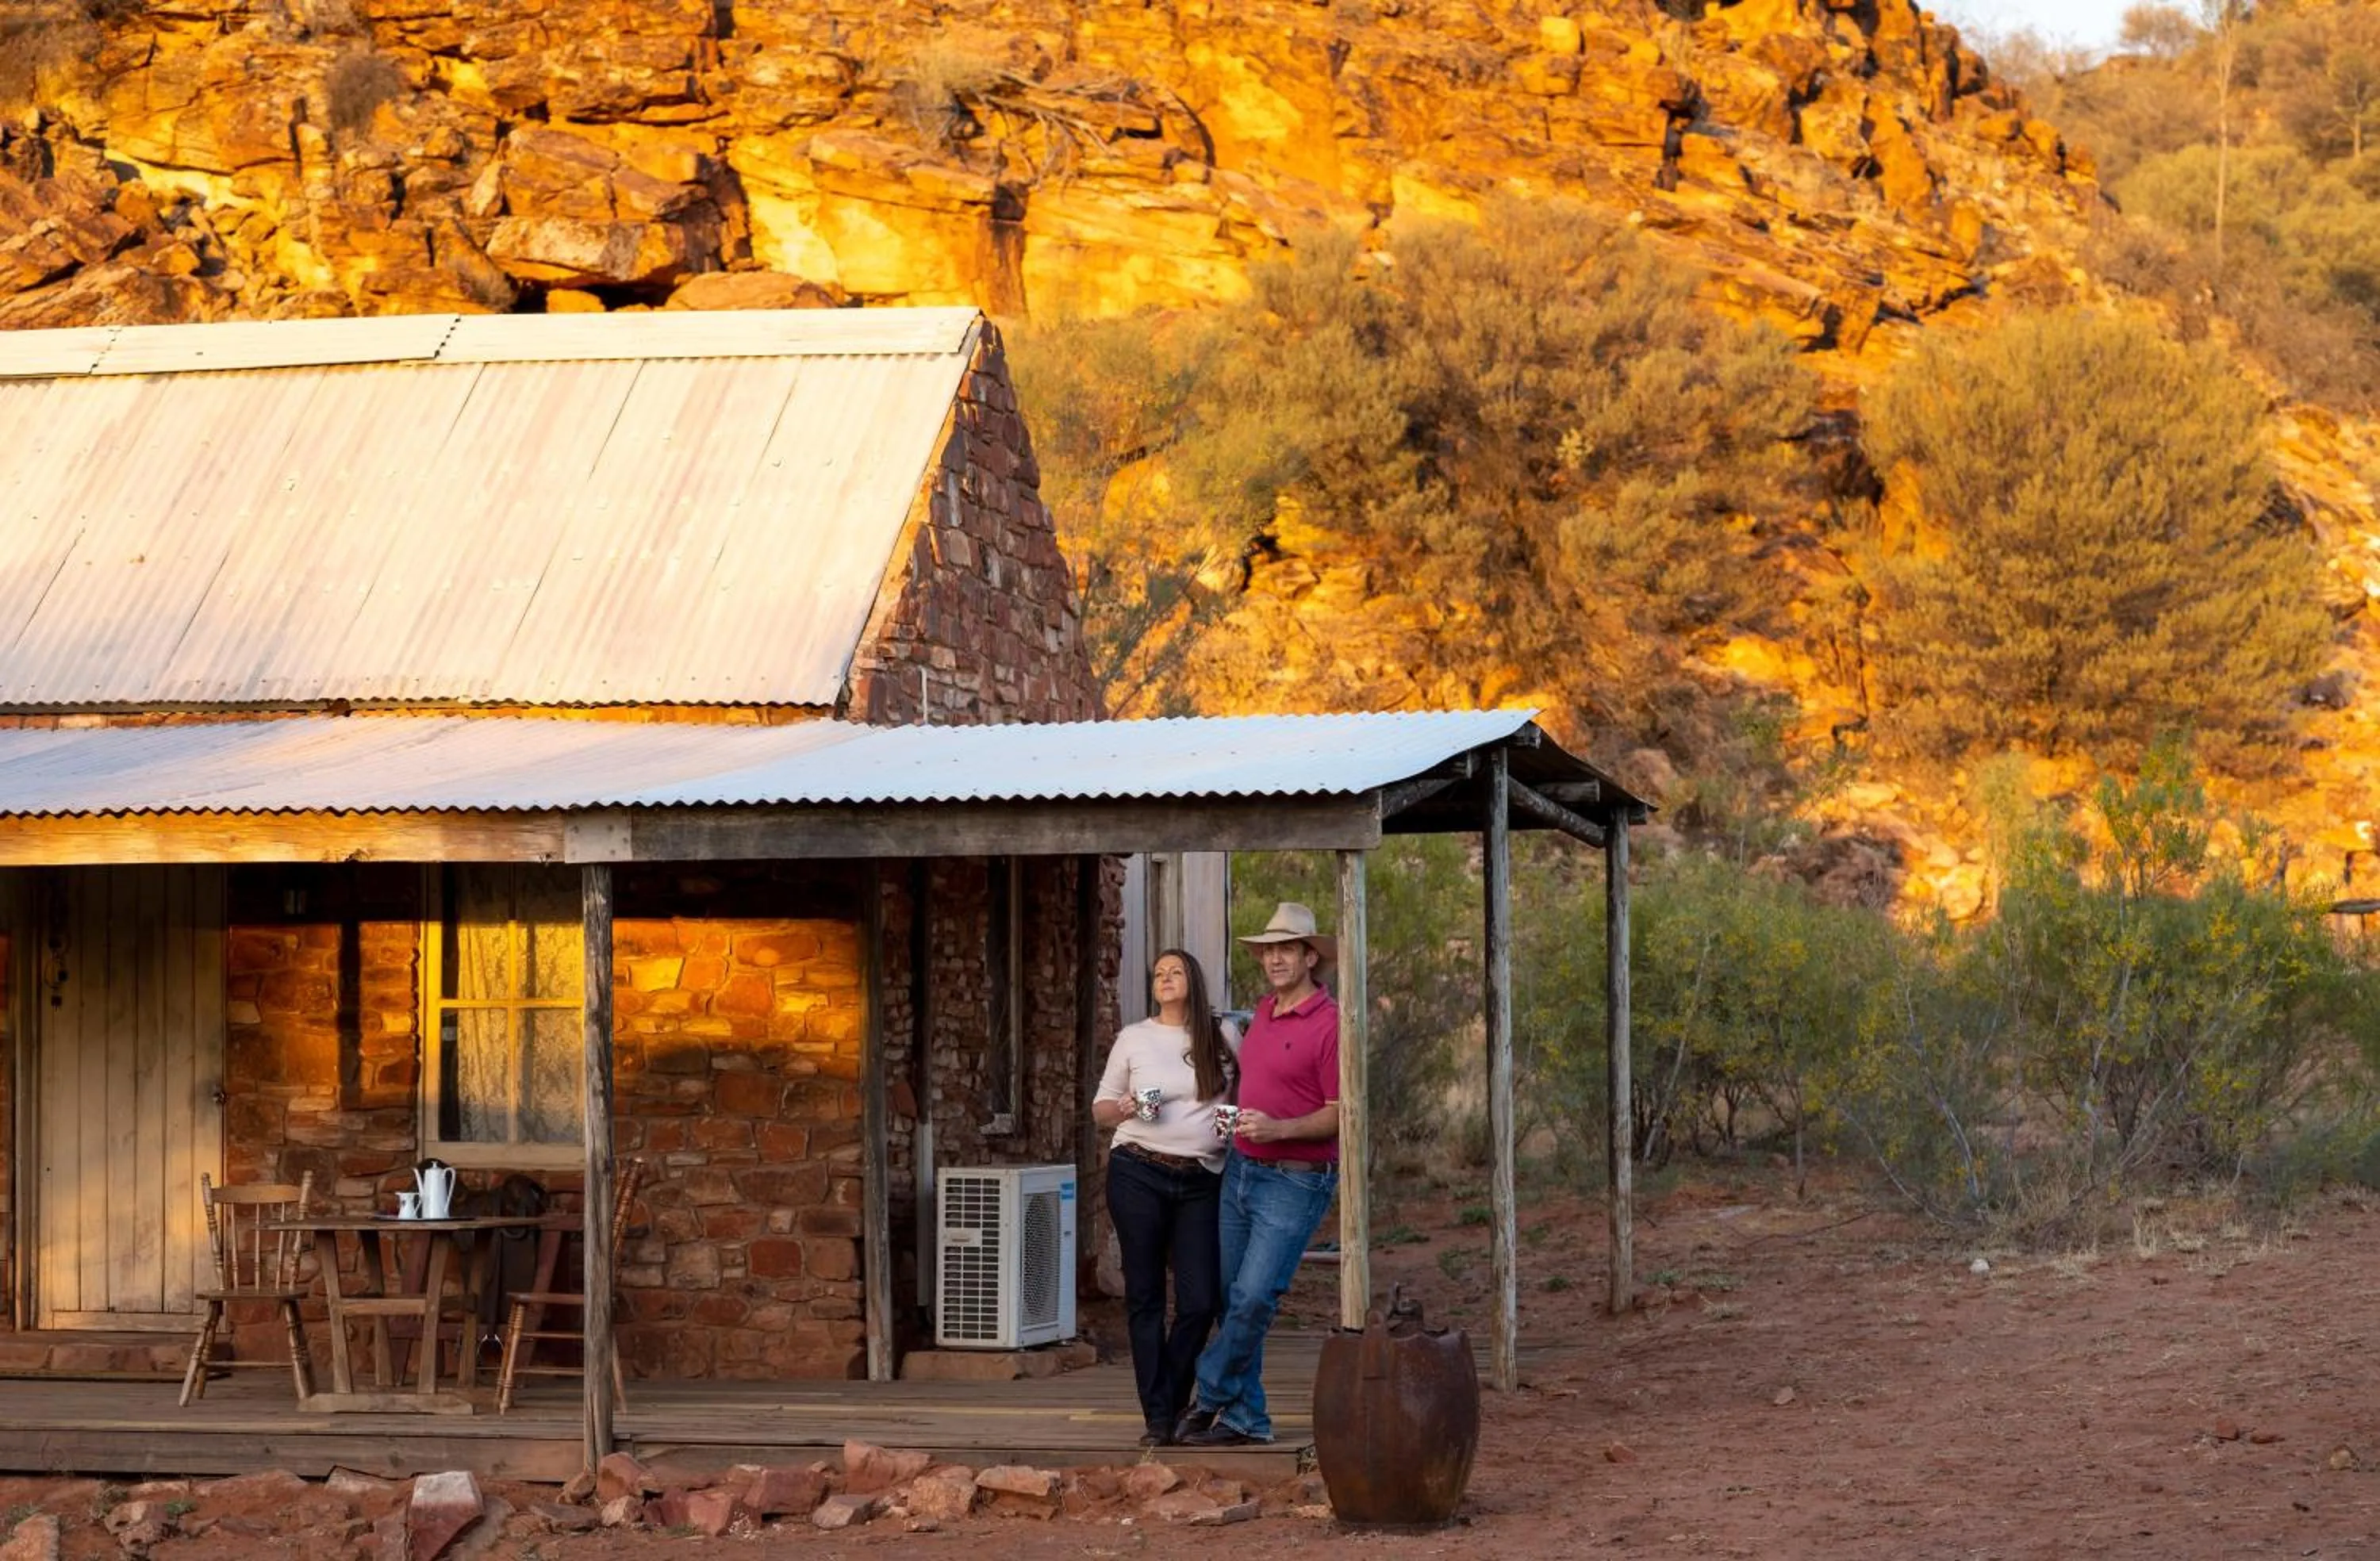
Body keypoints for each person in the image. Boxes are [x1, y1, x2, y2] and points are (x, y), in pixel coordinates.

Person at [1177, 902, 1341, 1448]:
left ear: (1310, 957)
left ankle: (1209, 1389)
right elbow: (1248, 1083)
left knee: (1253, 1297)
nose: (1275, 959)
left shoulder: (1332, 1024)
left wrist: (1279, 1129)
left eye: (1286, 950)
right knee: (1231, 1297)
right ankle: (1246, 1419)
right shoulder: (1264, 1012)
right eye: (1269, 951)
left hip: (1296, 1179)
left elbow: (1342, 1113)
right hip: (1241, 1171)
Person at [1092, 949, 1241, 1447]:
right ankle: (1159, 1418)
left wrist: (1229, 1134)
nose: (1166, 978)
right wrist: (1127, 1106)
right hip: (1138, 1171)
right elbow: (1100, 1111)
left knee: (1201, 1301)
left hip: (1201, 1178)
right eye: (1159, 973)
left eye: (1175, 971)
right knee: (1146, 1297)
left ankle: (1174, 1396)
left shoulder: (1223, 1035)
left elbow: (1238, 1096)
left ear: (1193, 980)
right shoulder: (1134, 1038)